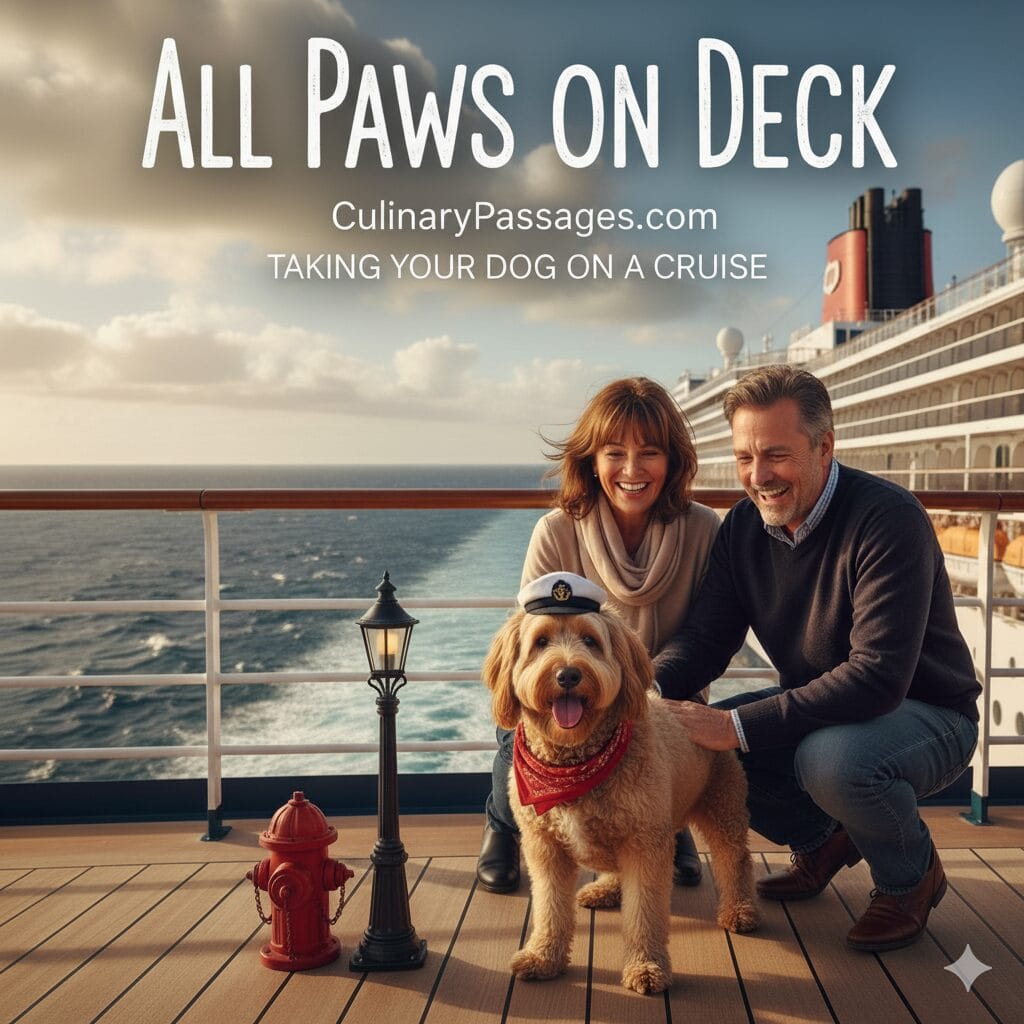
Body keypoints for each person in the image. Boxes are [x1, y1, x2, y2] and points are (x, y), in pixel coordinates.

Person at [655, 365, 980, 952]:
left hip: (930, 715)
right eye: (745, 457)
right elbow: (706, 638)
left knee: (830, 761)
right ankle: (829, 838)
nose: (758, 477)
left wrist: (734, 725)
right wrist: (646, 692)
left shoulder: (888, 519)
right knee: (704, 751)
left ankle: (910, 878)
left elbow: (877, 677)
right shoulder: (744, 527)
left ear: (824, 447)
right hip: (832, 711)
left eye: (776, 455)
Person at [476, 377, 721, 893]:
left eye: (650, 453)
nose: (632, 471)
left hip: (663, 692)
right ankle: (502, 828)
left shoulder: (704, 530)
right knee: (519, 740)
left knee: (659, 750)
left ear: (672, 462)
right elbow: (529, 642)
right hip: (562, 692)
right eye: (615, 453)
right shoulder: (556, 531)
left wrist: (641, 687)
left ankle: (668, 826)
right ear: (591, 460)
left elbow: (709, 632)